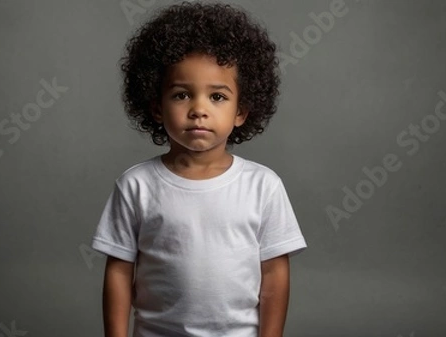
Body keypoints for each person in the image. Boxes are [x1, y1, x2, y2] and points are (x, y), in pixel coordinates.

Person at [91, 2, 307, 336]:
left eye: (217, 97)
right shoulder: (136, 186)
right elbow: (119, 272)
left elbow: (275, 275)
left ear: (242, 111)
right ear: (156, 107)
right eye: (181, 95)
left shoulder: (263, 186)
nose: (198, 110)